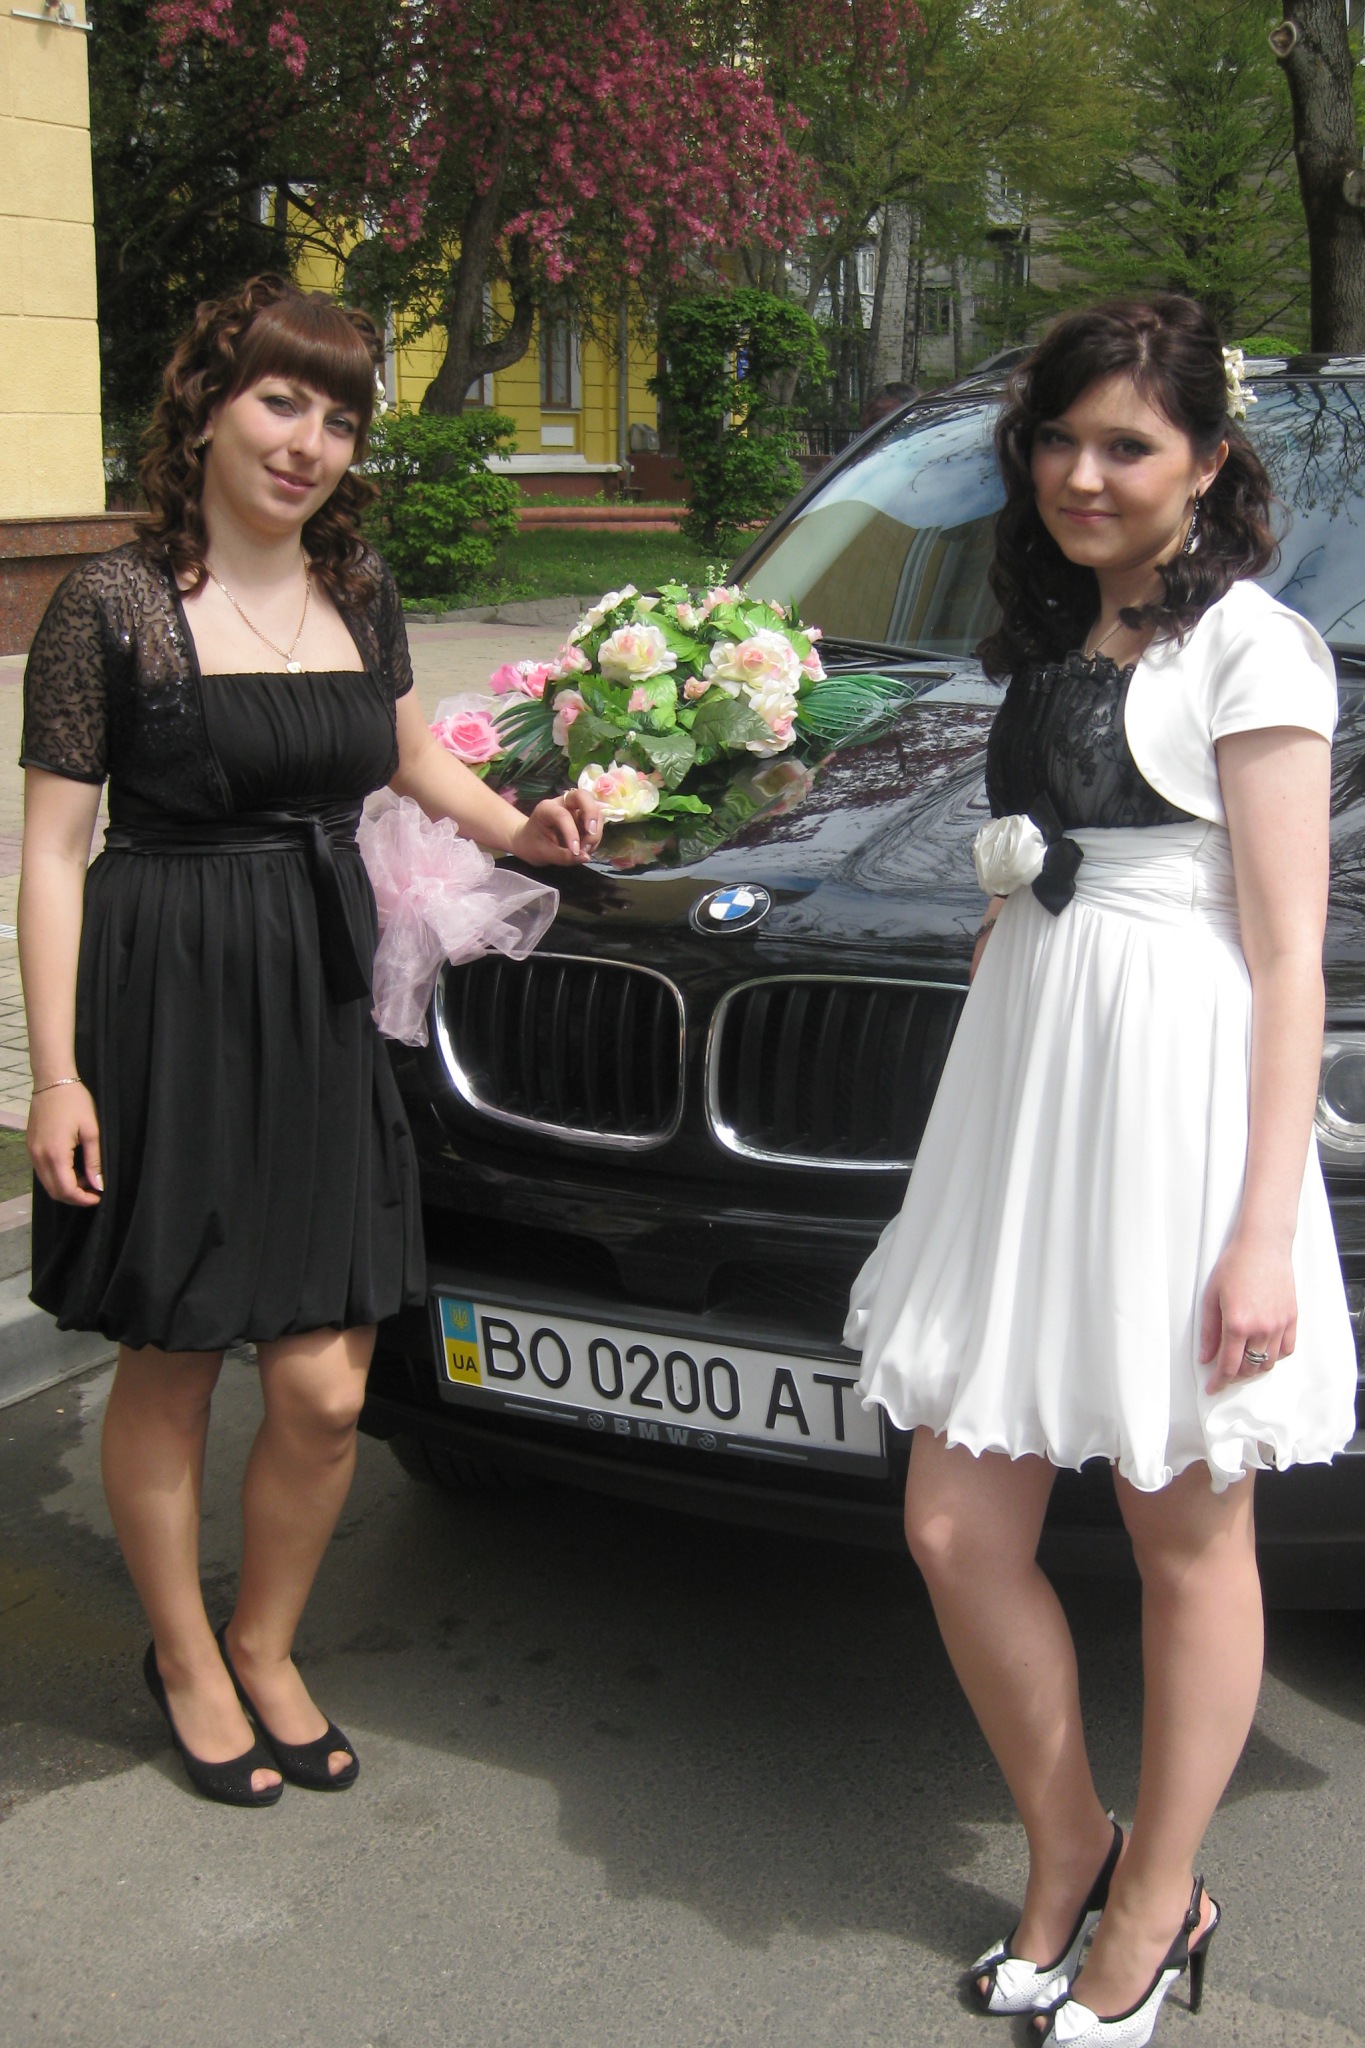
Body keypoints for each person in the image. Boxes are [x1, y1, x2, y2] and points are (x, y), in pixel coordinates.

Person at [844, 297, 1357, 2044]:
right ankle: (1070, 1841)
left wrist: (1259, 1235)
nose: (1081, 473)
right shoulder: (1057, 630)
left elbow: (1285, 958)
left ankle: (1153, 1903)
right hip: (1032, 1100)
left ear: (1204, 461)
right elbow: (1036, 871)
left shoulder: (1253, 651)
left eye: (1125, 444)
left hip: (1176, 1119)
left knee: (1179, 1532)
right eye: (1056, 439)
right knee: (947, 1522)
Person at [19, 276, 600, 1808]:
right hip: (167, 984)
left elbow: (407, 757)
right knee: (173, 1358)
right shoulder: (111, 604)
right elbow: (52, 851)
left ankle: (265, 1640)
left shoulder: (359, 584)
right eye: (281, 401)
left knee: (327, 1385)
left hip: (323, 986)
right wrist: (57, 1074)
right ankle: (185, 1655)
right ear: (206, 404)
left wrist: (522, 826)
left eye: (339, 419)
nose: (308, 443)